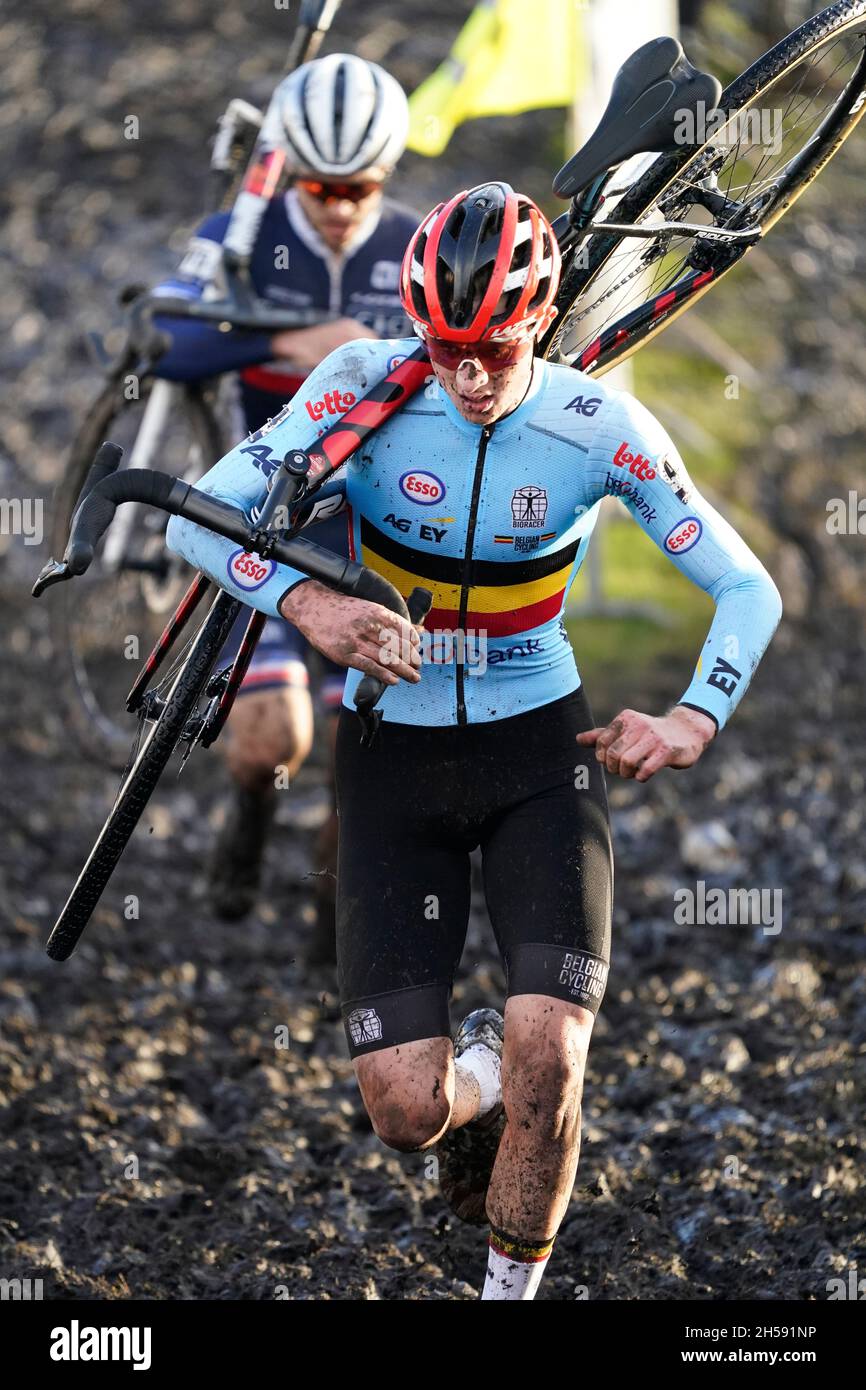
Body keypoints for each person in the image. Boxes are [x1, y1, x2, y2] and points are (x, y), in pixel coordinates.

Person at [166, 182, 783, 1300]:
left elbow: (744, 586)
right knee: (407, 1114)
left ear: (538, 323)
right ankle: (476, 1063)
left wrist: (694, 710)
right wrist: (309, 607)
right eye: (446, 346)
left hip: (540, 753)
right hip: (391, 759)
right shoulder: (362, 384)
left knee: (556, 1064)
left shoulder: (597, 426)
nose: (466, 376)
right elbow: (191, 514)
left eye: (493, 349)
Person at [152, 53, 418, 934]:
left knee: (363, 755)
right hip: (262, 512)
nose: (339, 209)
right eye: (318, 186)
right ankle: (254, 812)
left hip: (379, 525)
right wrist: (301, 341)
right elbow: (168, 340)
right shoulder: (245, 230)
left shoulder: (419, 244)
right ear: (289, 169)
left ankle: (332, 904)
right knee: (275, 742)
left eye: (360, 187)